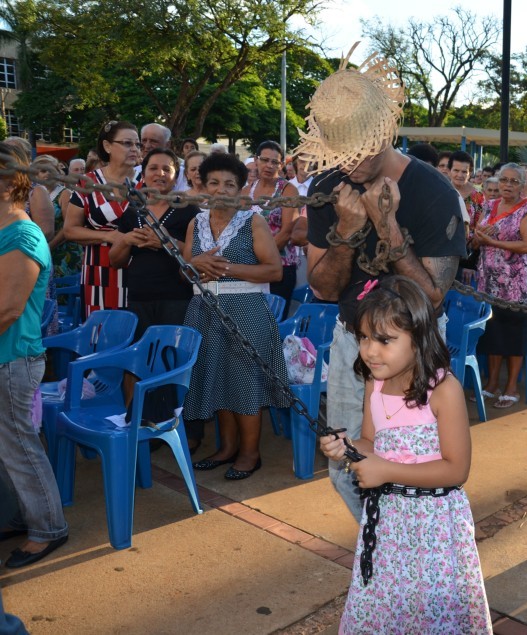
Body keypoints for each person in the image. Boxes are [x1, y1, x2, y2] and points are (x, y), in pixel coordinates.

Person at [300, 48, 465, 522]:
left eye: (358, 152)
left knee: (412, 466)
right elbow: (326, 289)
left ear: (382, 136)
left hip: (415, 343)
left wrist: (389, 230)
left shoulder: (435, 192)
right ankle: (383, 547)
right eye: (339, 154)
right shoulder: (327, 187)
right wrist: (347, 235)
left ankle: (403, 550)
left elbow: (433, 296)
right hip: (352, 338)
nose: (347, 166)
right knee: (346, 466)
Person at [318, 276, 492, 634]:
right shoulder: (375, 383)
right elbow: (370, 441)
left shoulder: (443, 390)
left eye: (385, 340)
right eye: (364, 337)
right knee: (389, 605)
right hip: (389, 525)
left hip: (434, 528)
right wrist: (346, 446)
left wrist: (386, 471)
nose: (370, 351)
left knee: (429, 613)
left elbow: (456, 470)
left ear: (418, 339)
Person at [184, 153, 290, 479]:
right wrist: (194, 266)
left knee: (244, 383)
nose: (221, 189)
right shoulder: (196, 222)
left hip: (245, 310)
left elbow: (274, 270)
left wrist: (224, 267)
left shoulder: (252, 220)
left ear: (240, 188)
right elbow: (185, 269)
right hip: (203, 310)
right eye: (214, 182)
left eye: (229, 184)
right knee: (217, 381)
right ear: (203, 186)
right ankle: (227, 448)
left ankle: (250, 453)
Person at [0, 141, 70, 568]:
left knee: (20, 446)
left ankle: (48, 528)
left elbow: (9, 307)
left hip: (15, 358)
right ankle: (16, 516)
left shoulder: (22, 233)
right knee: (5, 447)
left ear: (9, 182)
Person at [109, 149, 201, 341]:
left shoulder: (189, 210)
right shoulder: (133, 212)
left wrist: (167, 243)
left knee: (171, 356)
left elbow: (199, 256)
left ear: (176, 177)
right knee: (141, 357)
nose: (160, 174)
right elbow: (115, 261)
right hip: (138, 297)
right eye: (153, 168)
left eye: (167, 169)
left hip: (177, 298)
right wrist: (126, 240)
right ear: (143, 175)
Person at [472, 163, 527, 408]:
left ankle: (511, 387)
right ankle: (491, 384)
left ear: (522, 186)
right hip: (488, 281)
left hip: (514, 284)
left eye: (513, 181)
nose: (507, 185)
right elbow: (479, 240)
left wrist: (492, 242)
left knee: (513, 336)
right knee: (491, 333)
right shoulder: (489, 205)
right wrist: (479, 239)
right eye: (504, 181)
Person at [64, 120, 139, 317]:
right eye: (127, 143)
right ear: (107, 146)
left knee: (137, 332)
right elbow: (70, 230)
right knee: (101, 333)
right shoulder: (87, 182)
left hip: (138, 270)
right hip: (99, 272)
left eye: (137, 144)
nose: (134, 149)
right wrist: (108, 236)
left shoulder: (145, 182)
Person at [242, 140, 300, 316]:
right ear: (256, 160)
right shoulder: (245, 192)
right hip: (249, 268)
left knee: (272, 323)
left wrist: (261, 259)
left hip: (280, 266)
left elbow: (286, 232)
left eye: (274, 161)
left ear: (281, 165)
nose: (269, 165)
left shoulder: (288, 191)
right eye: (264, 160)